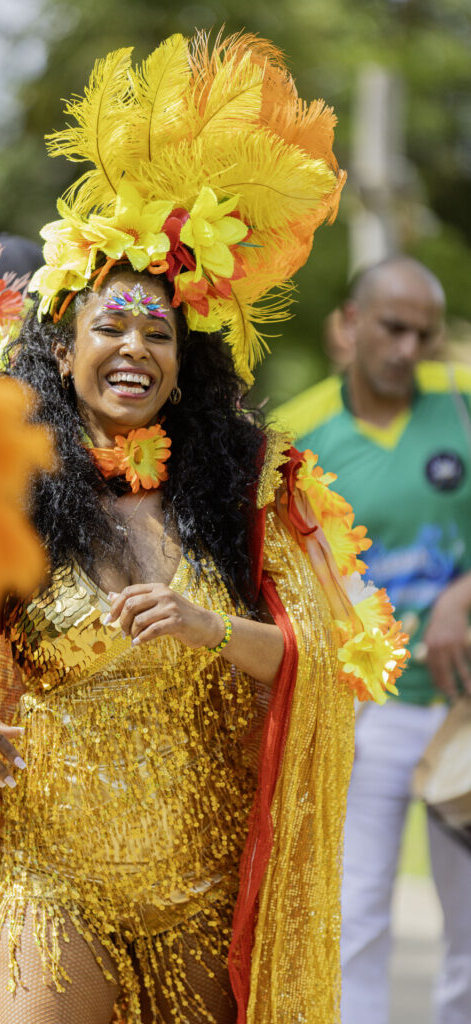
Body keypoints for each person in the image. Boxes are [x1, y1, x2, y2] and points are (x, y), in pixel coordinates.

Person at [0, 33, 406, 1024]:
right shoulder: (8, 483)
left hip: (201, 889)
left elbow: (323, 665)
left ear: (184, 359)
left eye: (156, 333)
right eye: (110, 327)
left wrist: (202, 625)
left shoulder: (253, 494)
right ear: (63, 345)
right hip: (45, 879)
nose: (133, 348)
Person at [275, 256, 471, 1024]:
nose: (406, 348)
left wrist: (461, 595)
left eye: (423, 334)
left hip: (461, 714)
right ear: (349, 325)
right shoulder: (295, 437)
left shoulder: (458, 408)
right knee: (352, 919)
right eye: (392, 327)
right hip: (364, 714)